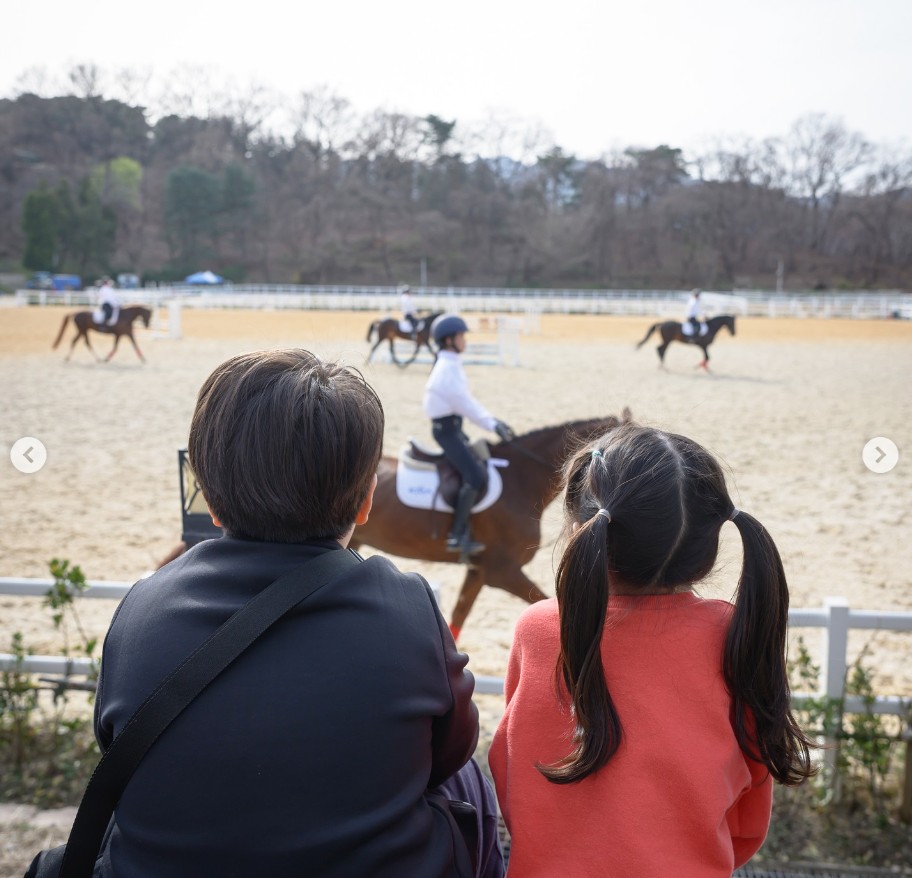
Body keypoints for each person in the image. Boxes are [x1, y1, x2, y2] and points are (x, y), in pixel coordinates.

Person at [92, 349, 504, 878]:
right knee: (468, 777)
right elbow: (452, 750)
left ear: (211, 502)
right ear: (364, 504)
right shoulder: (406, 605)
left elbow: (113, 746)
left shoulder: (139, 609)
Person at [489, 422, 816, 877]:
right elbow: (746, 825)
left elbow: (510, 780)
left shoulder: (541, 629)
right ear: (710, 545)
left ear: (584, 530)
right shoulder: (731, 633)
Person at [423, 314, 514, 557]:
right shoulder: (446, 369)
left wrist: (493, 422)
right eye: (462, 336)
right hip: (447, 432)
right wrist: (492, 424)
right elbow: (466, 404)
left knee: (479, 462)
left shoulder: (450, 364)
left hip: (453, 427)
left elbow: (466, 404)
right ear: (450, 340)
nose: (465, 340)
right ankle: (456, 535)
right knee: (474, 476)